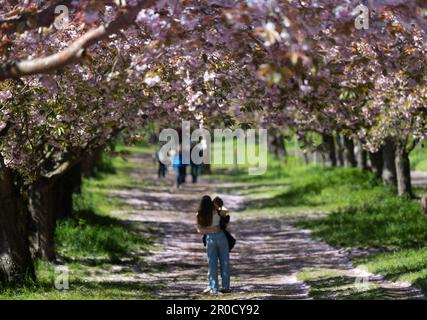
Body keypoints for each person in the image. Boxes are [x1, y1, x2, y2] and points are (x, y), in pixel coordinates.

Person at [196, 195, 230, 295]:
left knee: (212, 264)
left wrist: (209, 230)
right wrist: (217, 204)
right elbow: (226, 211)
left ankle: (214, 287)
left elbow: (200, 230)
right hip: (221, 237)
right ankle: (226, 286)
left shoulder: (200, 214)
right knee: (225, 261)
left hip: (210, 238)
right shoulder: (217, 211)